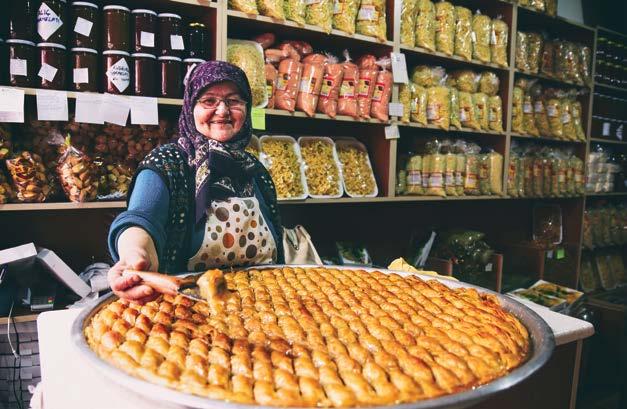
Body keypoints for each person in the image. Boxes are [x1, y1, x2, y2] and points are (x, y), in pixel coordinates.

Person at [106, 61, 283, 304]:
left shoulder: (256, 171)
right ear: (190, 108)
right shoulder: (168, 163)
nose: (222, 111)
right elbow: (140, 218)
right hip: (188, 317)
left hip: (261, 311)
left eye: (234, 101)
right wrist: (134, 254)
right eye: (209, 101)